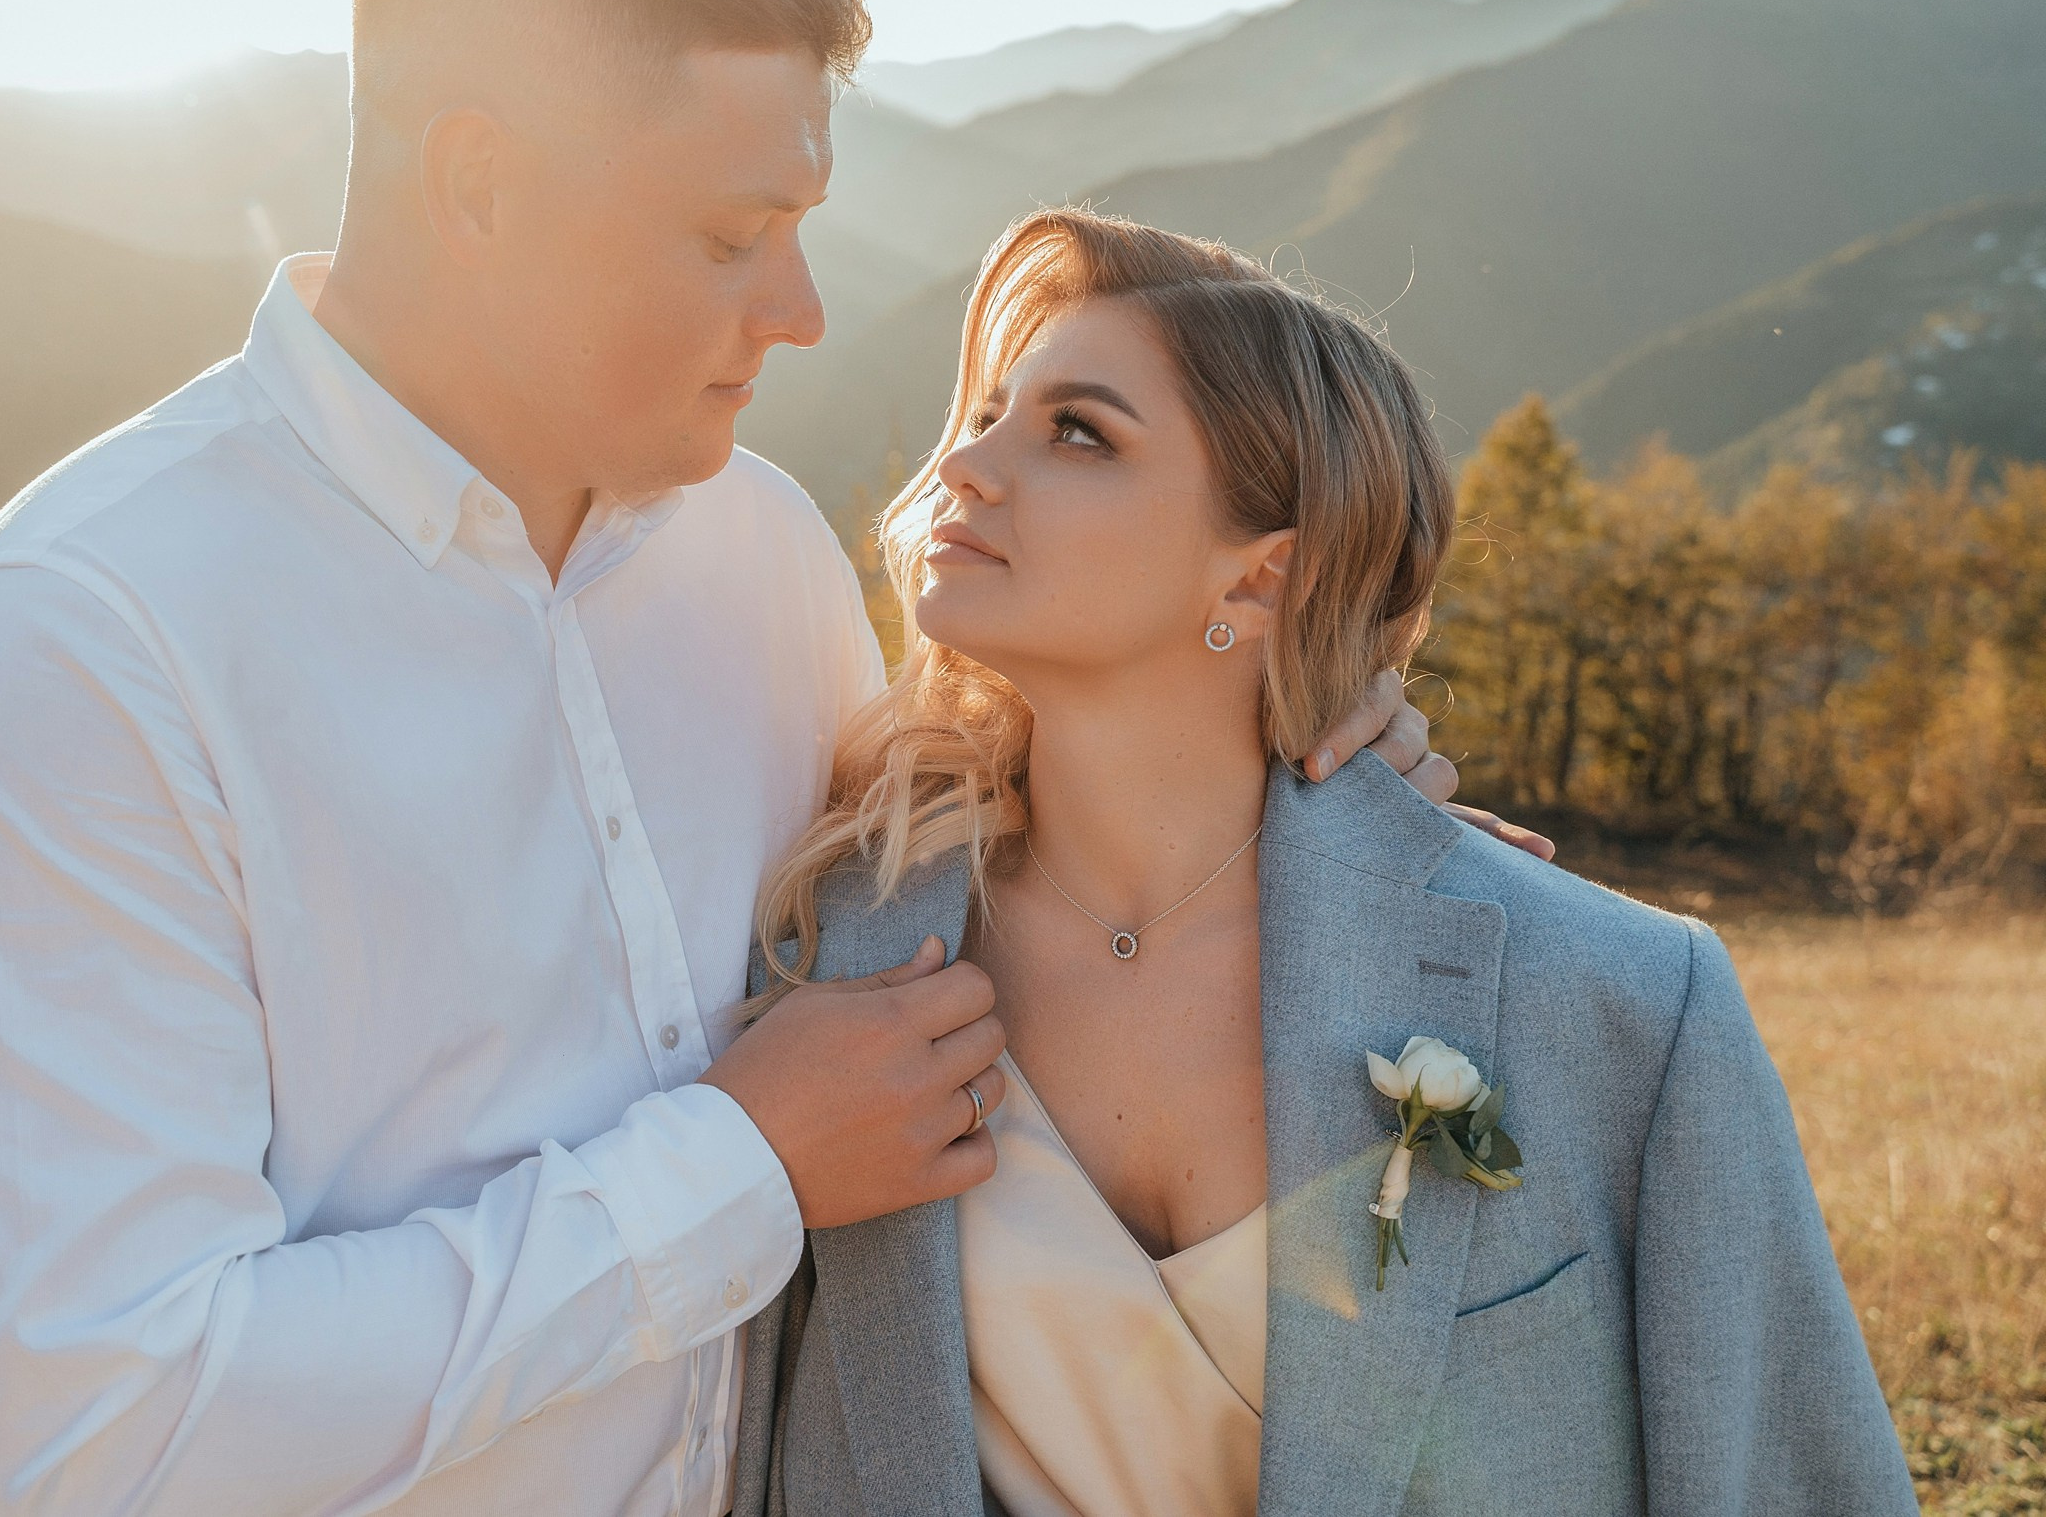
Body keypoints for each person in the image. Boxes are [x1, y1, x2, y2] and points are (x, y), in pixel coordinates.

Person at [0, 0, 1502, 1516]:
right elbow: (108, 1432)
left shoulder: (761, 547)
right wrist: (738, 1168)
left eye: (802, 224)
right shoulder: (90, 632)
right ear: (480, 186)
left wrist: (1289, 754)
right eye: (734, 236)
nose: (800, 307)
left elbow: (988, 846)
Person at [731, 209, 1915, 1517]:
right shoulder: (830, 952)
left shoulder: (1622, 999)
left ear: (1258, 577)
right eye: (994, 413)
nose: (966, 465)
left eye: (1077, 432)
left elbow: (1790, 1481)